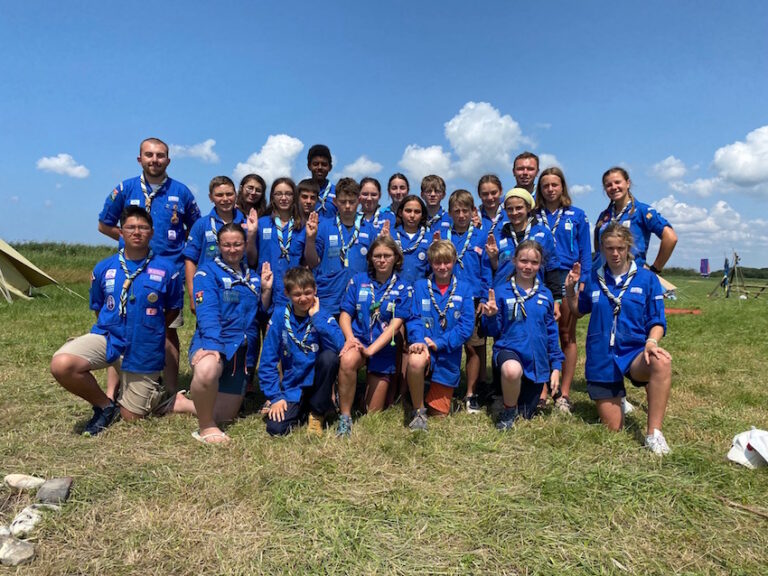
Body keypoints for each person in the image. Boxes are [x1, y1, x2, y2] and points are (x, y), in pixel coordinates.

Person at [51, 207, 183, 435]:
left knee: (131, 418)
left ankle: (157, 391)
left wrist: (148, 329)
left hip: (144, 347)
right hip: (110, 339)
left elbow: (171, 311)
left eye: (143, 228)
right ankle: (104, 405)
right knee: (62, 364)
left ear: (151, 233)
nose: (137, 232)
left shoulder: (167, 269)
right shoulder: (104, 268)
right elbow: (100, 307)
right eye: (131, 227)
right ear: (121, 232)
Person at [97, 137, 200, 394]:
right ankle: (114, 389)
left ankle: (172, 389)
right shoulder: (124, 189)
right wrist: (131, 240)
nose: (155, 160)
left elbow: (196, 228)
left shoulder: (182, 192)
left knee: (167, 331)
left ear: (168, 160)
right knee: (120, 327)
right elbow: (104, 224)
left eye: (160, 155)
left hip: (168, 273)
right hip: (130, 270)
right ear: (139, 159)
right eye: (149, 155)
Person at [565, 223, 672, 454]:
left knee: (661, 362)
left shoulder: (646, 279)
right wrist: (570, 291)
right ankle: (618, 398)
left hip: (634, 352)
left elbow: (657, 321)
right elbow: (578, 310)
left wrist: (652, 342)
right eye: (609, 248)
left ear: (628, 248)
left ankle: (654, 434)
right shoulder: (594, 278)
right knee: (614, 429)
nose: (614, 254)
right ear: (602, 248)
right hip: (602, 356)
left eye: (620, 248)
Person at [172, 224, 273, 444]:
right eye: (226, 245)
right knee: (207, 370)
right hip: (214, 341)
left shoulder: (252, 277)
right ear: (218, 246)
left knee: (227, 416)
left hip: (241, 351)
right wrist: (212, 346)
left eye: (237, 244)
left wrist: (265, 290)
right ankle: (206, 428)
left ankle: (181, 403)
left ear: (245, 245)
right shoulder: (207, 273)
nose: (232, 249)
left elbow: (259, 313)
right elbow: (206, 312)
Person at [480, 240, 563, 429]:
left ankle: (512, 400)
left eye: (534, 262)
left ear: (541, 265)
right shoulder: (501, 292)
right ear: (514, 260)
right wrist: (491, 317)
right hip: (509, 352)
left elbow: (551, 332)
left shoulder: (545, 295)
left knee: (526, 415)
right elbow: (491, 331)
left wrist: (556, 366)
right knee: (511, 370)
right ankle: (508, 411)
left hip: (535, 361)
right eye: (523, 261)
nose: (528, 266)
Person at [336, 236, 411, 435]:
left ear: (396, 257)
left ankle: (355, 392)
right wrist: (350, 338)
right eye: (377, 256)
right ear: (370, 258)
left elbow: (395, 326)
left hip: (383, 348)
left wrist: (371, 350)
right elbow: (345, 314)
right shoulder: (358, 280)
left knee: (372, 412)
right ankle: (345, 417)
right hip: (359, 340)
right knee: (348, 360)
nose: (382, 260)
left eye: (387, 255)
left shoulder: (403, 287)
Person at [258, 267, 344, 436]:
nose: (303, 298)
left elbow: (339, 345)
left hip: (317, 384)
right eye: (297, 294)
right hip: (293, 386)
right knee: (276, 429)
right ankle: (303, 411)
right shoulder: (279, 317)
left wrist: (317, 318)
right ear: (287, 293)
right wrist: (275, 397)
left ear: (315, 291)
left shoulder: (323, 315)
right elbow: (268, 360)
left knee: (329, 358)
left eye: (308, 292)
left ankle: (317, 412)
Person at [534, 167, 592, 414]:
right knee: (539, 333)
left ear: (562, 187)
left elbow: (586, 250)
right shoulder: (532, 215)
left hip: (569, 276)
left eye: (554, 185)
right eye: (545, 185)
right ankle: (542, 389)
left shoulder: (576, 215)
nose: (550, 189)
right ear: (540, 189)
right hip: (539, 276)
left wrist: (583, 281)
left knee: (566, 334)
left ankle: (564, 393)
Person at [406, 241, 475, 431]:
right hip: (423, 347)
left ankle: (431, 394)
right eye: (437, 263)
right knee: (415, 361)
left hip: (447, 356)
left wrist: (438, 343)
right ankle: (418, 410)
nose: (442, 267)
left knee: (439, 415)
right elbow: (413, 318)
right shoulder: (420, 286)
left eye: (447, 262)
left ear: (454, 261)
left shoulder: (465, 289)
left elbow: (466, 326)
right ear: (430, 263)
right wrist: (419, 341)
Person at [437, 190, 491, 414]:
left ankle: (471, 394)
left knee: (472, 346)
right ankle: (441, 389)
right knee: (446, 343)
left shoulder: (481, 235)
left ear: (473, 212)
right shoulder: (441, 233)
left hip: (472, 298)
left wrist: (485, 297)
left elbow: (486, 268)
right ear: (449, 213)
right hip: (445, 296)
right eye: (456, 211)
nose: (461, 215)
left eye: (465, 210)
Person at [304, 178, 375, 316]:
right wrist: (310, 240)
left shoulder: (369, 229)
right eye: (343, 202)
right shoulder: (323, 226)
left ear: (359, 201)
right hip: (329, 297)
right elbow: (312, 262)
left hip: (358, 298)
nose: (347, 206)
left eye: (352, 202)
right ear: (335, 202)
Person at [183, 176, 249, 312]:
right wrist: (192, 295)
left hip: (239, 288)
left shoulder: (247, 223)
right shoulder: (201, 224)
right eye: (219, 195)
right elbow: (190, 259)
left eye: (229, 194)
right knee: (208, 329)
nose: (225, 199)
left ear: (236, 195)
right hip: (209, 288)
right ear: (210, 197)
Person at [593, 167, 677, 272]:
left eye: (617, 182)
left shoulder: (642, 211)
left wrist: (655, 269)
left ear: (628, 183)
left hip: (631, 278)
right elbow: (598, 248)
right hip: (603, 277)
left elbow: (670, 238)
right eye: (609, 185)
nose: (614, 187)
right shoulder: (604, 216)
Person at [255, 178, 306, 309]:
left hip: (294, 291)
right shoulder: (261, 223)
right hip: (267, 288)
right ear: (272, 196)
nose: (284, 198)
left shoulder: (303, 226)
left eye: (288, 194)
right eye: (279, 194)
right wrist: (250, 234)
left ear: (294, 196)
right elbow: (251, 257)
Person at [390, 195, 431, 285]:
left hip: (419, 290)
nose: (412, 215)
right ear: (400, 213)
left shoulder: (429, 238)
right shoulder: (390, 235)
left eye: (417, 212)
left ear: (422, 215)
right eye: (408, 211)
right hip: (394, 290)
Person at [307, 144, 336, 220]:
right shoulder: (300, 192)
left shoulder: (338, 192)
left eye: (324, 164)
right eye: (315, 164)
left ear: (330, 167)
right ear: (309, 166)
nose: (319, 168)